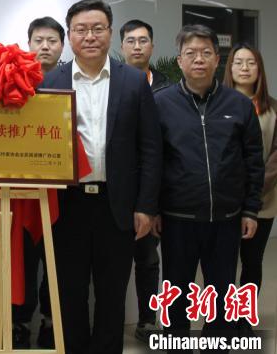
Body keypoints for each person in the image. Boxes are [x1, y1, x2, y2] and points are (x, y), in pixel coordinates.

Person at [40, 0, 162, 354]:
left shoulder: (133, 81)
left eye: (97, 28)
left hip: (117, 205)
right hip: (67, 204)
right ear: (70, 36)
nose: (89, 36)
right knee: (69, 292)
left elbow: (150, 148)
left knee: (112, 295)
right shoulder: (49, 82)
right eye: (81, 29)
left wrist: (146, 206)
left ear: (110, 33)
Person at [154, 26, 262, 350]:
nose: (198, 59)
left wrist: (250, 210)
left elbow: (253, 160)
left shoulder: (239, 105)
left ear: (217, 59)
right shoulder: (161, 103)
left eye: (205, 53)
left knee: (221, 295)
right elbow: (153, 161)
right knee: (176, 294)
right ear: (179, 60)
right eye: (191, 53)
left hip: (226, 219)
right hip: (177, 219)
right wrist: (153, 209)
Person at [11, 16, 65, 348]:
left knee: (56, 260)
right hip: (20, 189)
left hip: (62, 191)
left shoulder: (71, 81)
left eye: (52, 41)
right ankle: (18, 323)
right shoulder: (14, 80)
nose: (45, 47)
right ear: (28, 44)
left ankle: (50, 320)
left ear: (63, 45)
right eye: (38, 40)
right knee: (22, 260)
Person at [119, 18, 170, 341]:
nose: (137, 47)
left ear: (152, 45)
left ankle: (148, 320)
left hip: (153, 189)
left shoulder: (168, 88)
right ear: (121, 46)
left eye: (143, 40)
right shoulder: (112, 82)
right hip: (117, 187)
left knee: (149, 259)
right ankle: (110, 321)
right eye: (131, 41)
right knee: (113, 261)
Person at [224, 43, 277, 311]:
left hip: (261, 201)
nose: (244, 68)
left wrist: (253, 189)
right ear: (230, 68)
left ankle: (244, 316)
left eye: (251, 62)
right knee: (222, 263)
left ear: (260, 69)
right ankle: (223, 317)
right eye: (238, 62)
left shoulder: (273, 109)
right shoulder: (216, 104)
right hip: (223, 201)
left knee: (252, 261)